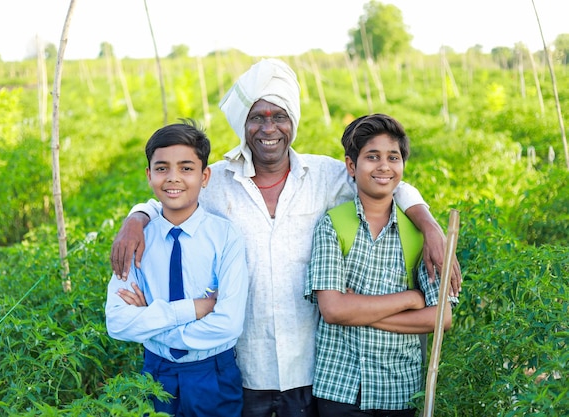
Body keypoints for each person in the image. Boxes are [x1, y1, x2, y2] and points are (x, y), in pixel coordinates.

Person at [110, 59, 461, 417]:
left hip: (310, 367)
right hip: (244, 364)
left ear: (292, 122)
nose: (268, 128)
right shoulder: (217, 182)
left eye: (279, 116)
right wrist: (137, 217)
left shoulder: (322, 174)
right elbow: (173, 194)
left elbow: (384, 181)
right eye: (257, 117)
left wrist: (429, 225)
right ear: (244, 124)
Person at [305, 113, 459, 416]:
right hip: (339, 386)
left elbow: (442, 318)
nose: (384, 166)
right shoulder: (333, 224)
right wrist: (410, 299)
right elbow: (333, 310)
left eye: (393, 157)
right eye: (372, 157)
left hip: (398, 389)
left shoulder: (418, 234)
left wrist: (357, 311)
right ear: (352, 166)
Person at [105, 119, 249, 417]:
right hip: (156, 373)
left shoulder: (225, 236)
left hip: (213, 374)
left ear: (205, 176)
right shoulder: (136, 241)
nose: (173, 178)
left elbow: (229, 323)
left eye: (186, 168)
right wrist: (194, 309)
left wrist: (151, 322)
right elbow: (117, 322)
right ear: (148, 175)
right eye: (161, 168)